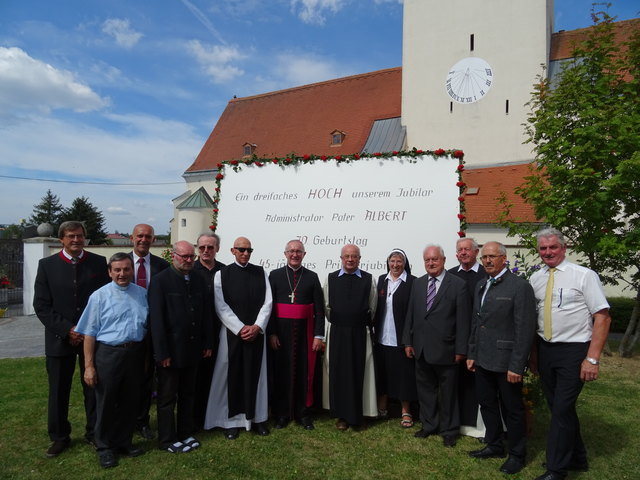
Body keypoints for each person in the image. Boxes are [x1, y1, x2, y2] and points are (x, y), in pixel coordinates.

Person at [529, 228, 611, 480]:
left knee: (562, 409)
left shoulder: (584, 276)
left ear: (564, 248)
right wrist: (533, 356)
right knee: (559, 408)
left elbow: (603, 317)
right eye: (543, 248)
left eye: (553, 247)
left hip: (574, 351)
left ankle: (556, 469)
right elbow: (533, 320)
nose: (548, 252)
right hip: (546, 350)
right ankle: (578, 457)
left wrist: (592, 358)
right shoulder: (536, 278)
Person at [33, 220, 110, 457]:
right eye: (70, 236)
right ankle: (59, 436)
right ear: (61, 240)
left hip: (91, 337)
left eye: (79, 236)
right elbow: (42, 305)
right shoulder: (47, 265)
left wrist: (86, 329)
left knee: (93, 386)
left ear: (84, 238)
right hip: (59, 338)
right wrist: (68, 329)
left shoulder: (98, 263)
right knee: (58, 390)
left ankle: (94, 433)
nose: (76, 240)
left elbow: (104, 299)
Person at [466, 241, 536, 475]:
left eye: (492, 257)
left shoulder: (519, 287)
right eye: (484, 257)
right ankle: (494, 444)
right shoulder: (481, 285)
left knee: (512, 409)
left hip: (507, 362)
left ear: (503, 258)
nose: (487, 260)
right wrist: (472, 353)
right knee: (486, 403)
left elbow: (524, 329)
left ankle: (517, 454)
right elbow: (477, 323)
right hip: (483, 359)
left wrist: (517, 365)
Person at [75, 253, 148, 468]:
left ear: (132, 270)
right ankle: (104, 447)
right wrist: (89, 366)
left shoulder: (142, 294)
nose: (122, 274)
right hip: (109, 354)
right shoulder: (99, 296)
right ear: (109, 272)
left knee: (130, 400)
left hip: (134, 353)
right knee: (106, 402)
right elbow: (89, 333)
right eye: (117, 270)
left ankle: (124, 442)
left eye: (126, 269)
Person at [149, 241, 213, 453]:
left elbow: (205, 315)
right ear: (173, 256)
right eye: (183, 256)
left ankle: (185, 432)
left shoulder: (198, 279)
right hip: (171, 352)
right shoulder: (160, 281)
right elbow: (156, 320)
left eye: (190, 257)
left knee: (188, 394)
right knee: (167, 398)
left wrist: (207, 343)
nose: (188, 261)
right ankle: (167, 439)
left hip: (193, 350)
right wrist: (162, 352)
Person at [205, 237, 272, 440]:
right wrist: (241, 328)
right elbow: (221, 305)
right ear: (233, 251)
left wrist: (257, 326)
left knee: (257, 377)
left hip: (256, 335)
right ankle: (230, 422)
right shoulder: (221, 275)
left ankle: (258, 418)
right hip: (231, 335)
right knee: (229, 376)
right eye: (241, 250)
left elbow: (268, 303)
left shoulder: (261, 273)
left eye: (249, 250)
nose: (245, 253)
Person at [403, 245, 470, 447]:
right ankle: (429, 425)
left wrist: (461, 349)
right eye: (427, 260)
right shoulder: (418, 283)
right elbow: (411, 314)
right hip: (421, 348)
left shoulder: (458, 285)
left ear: (443, 260)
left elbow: (463, 320)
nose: (431, 263)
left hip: (447, 350)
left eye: (434, 260)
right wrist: (408, 340)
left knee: (448, 394)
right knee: (425, 391)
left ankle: (449, 430)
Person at [268, 240, 325, 430]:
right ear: (285, 254)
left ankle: (303, 414)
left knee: (304, 373)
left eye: (298, 252)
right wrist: (272, 333)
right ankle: (281, 414)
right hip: (281, 335)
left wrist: (319, 335)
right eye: (291, 251)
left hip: (305, 334)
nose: (295, 254)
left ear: (304, 254)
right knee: (281, 373)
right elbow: (269, 309)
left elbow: (319, 309)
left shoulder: (312, 277)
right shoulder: (274, 276)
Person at [323, 244, 377, 430]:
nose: (350, 259)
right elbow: (327, 306)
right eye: (347, 256)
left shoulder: (369, 280)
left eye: (354, 256)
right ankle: (342, 416)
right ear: (341, 258)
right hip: (338, 332)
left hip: (359, 332)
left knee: (358, 373)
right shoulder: (331, 279)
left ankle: (358, 416)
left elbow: (373, 306)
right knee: (339, 374)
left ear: (359, 258)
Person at [129, 223, 169, 440]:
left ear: (154, 240)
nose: (144, 240)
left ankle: (142, 421)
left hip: (153, 329)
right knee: (126, 378)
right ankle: (124, 419)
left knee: (146, 379)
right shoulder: (121, 263)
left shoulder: (162, 266)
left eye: (148, 236)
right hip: (127, 330)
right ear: (131, 238)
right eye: (140, 236)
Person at [448, 237, 487, 437]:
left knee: (476, 380)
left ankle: (476, 422)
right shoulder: (450, 275)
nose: (463, 253)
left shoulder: (485, 274)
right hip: (454, 337)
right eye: (460, 250)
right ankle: (458, 420)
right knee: (456, 381)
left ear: (475, 252)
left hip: (479, 337)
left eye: (467, 250)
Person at [373, 248, 417, 428]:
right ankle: (382, 407)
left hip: (402, 339)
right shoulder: (382, 281)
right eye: (392, 261)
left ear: (405, 263)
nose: (395, 265)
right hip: (383, 337)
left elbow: (414, 313)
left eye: (399, 261)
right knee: (382, 373)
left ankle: (405, 411)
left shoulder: (412, 282)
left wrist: (409, 339)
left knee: (404, 376)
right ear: (388, 262)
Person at [192, 232, 226, 429]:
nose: (205, 251)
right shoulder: (190, 269)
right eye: (202, 247)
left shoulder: (225, 271)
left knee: (217, 375)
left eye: (210, 247)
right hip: (196, 334)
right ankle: (196, 418)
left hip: (219, 331)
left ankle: (215, 415)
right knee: (196, 379)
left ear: (217, 249)